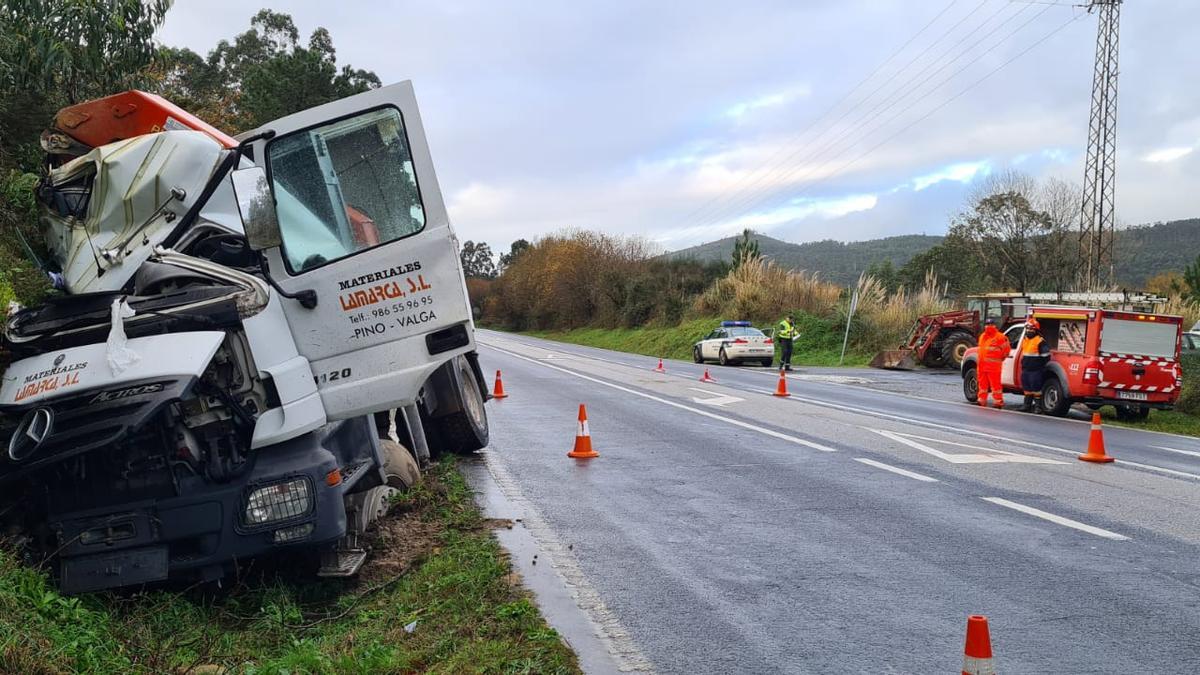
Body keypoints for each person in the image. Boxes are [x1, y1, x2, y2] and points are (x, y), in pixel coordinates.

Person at [1018, 318, 1051, 413]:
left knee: (1036, 388)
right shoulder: (1025, 340)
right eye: (1027, 329)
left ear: (1036, 330)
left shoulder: (1040, 341)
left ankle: (1038, 407)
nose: (1029, 331)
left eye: (1031, 329)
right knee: (1027, 388)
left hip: (1036, 369)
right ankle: (1026, 406)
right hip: (1026, 369)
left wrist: (1039, 365)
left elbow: (1046, 357)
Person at [976, 319, 1009, 408]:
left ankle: (998, 402)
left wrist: (998, 360)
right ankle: (981, 400)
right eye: (987, 324)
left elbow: (1006, 351)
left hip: (993, 367)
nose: (988, 326)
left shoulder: (1000, 337)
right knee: (982, 385)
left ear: (995, 325)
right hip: (982, 366)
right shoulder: (982, 336)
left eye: (991, 324)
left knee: (995, 386)